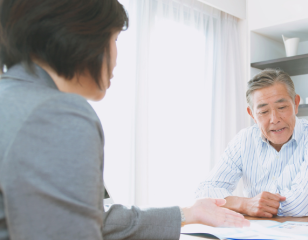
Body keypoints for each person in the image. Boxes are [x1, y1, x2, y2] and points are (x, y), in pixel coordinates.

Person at [0, 0, 248, 239]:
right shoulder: (57, 113)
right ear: (81, 34)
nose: (117, 56)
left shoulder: (14, 99)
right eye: (115, 38)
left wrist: (189, 213)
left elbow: (92, 219)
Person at [195, 69, 308, 218]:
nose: (274, 119)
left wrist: (254, 206)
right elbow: (205, 191)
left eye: (282, 107)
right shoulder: (244, 140)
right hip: (256, 233)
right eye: (263, 112)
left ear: (296, 103)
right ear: (252, 114)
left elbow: (300, 207)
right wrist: (245, 204)